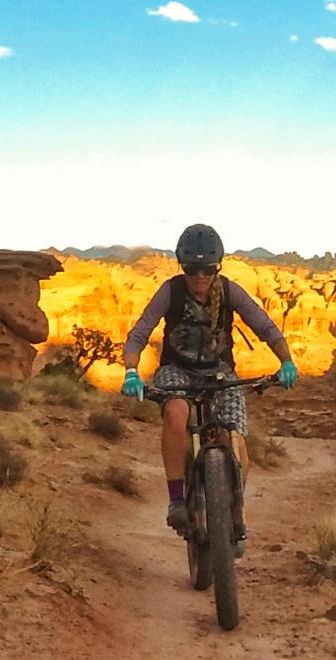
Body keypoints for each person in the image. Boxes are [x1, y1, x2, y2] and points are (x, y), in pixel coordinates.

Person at [119, 224, 300, 552]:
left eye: (207, 269)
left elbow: (265, 327)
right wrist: (131, 371)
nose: (200, 277)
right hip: (177, 371)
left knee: (235, 439)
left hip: (219, 373)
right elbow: (139, 333)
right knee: (176, 411)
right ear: (182, 267)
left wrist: (286, 361)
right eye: (191, 269)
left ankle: (234, 514)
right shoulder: (171, 291)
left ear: (218, 266)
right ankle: (176, 500)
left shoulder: (230, 292)